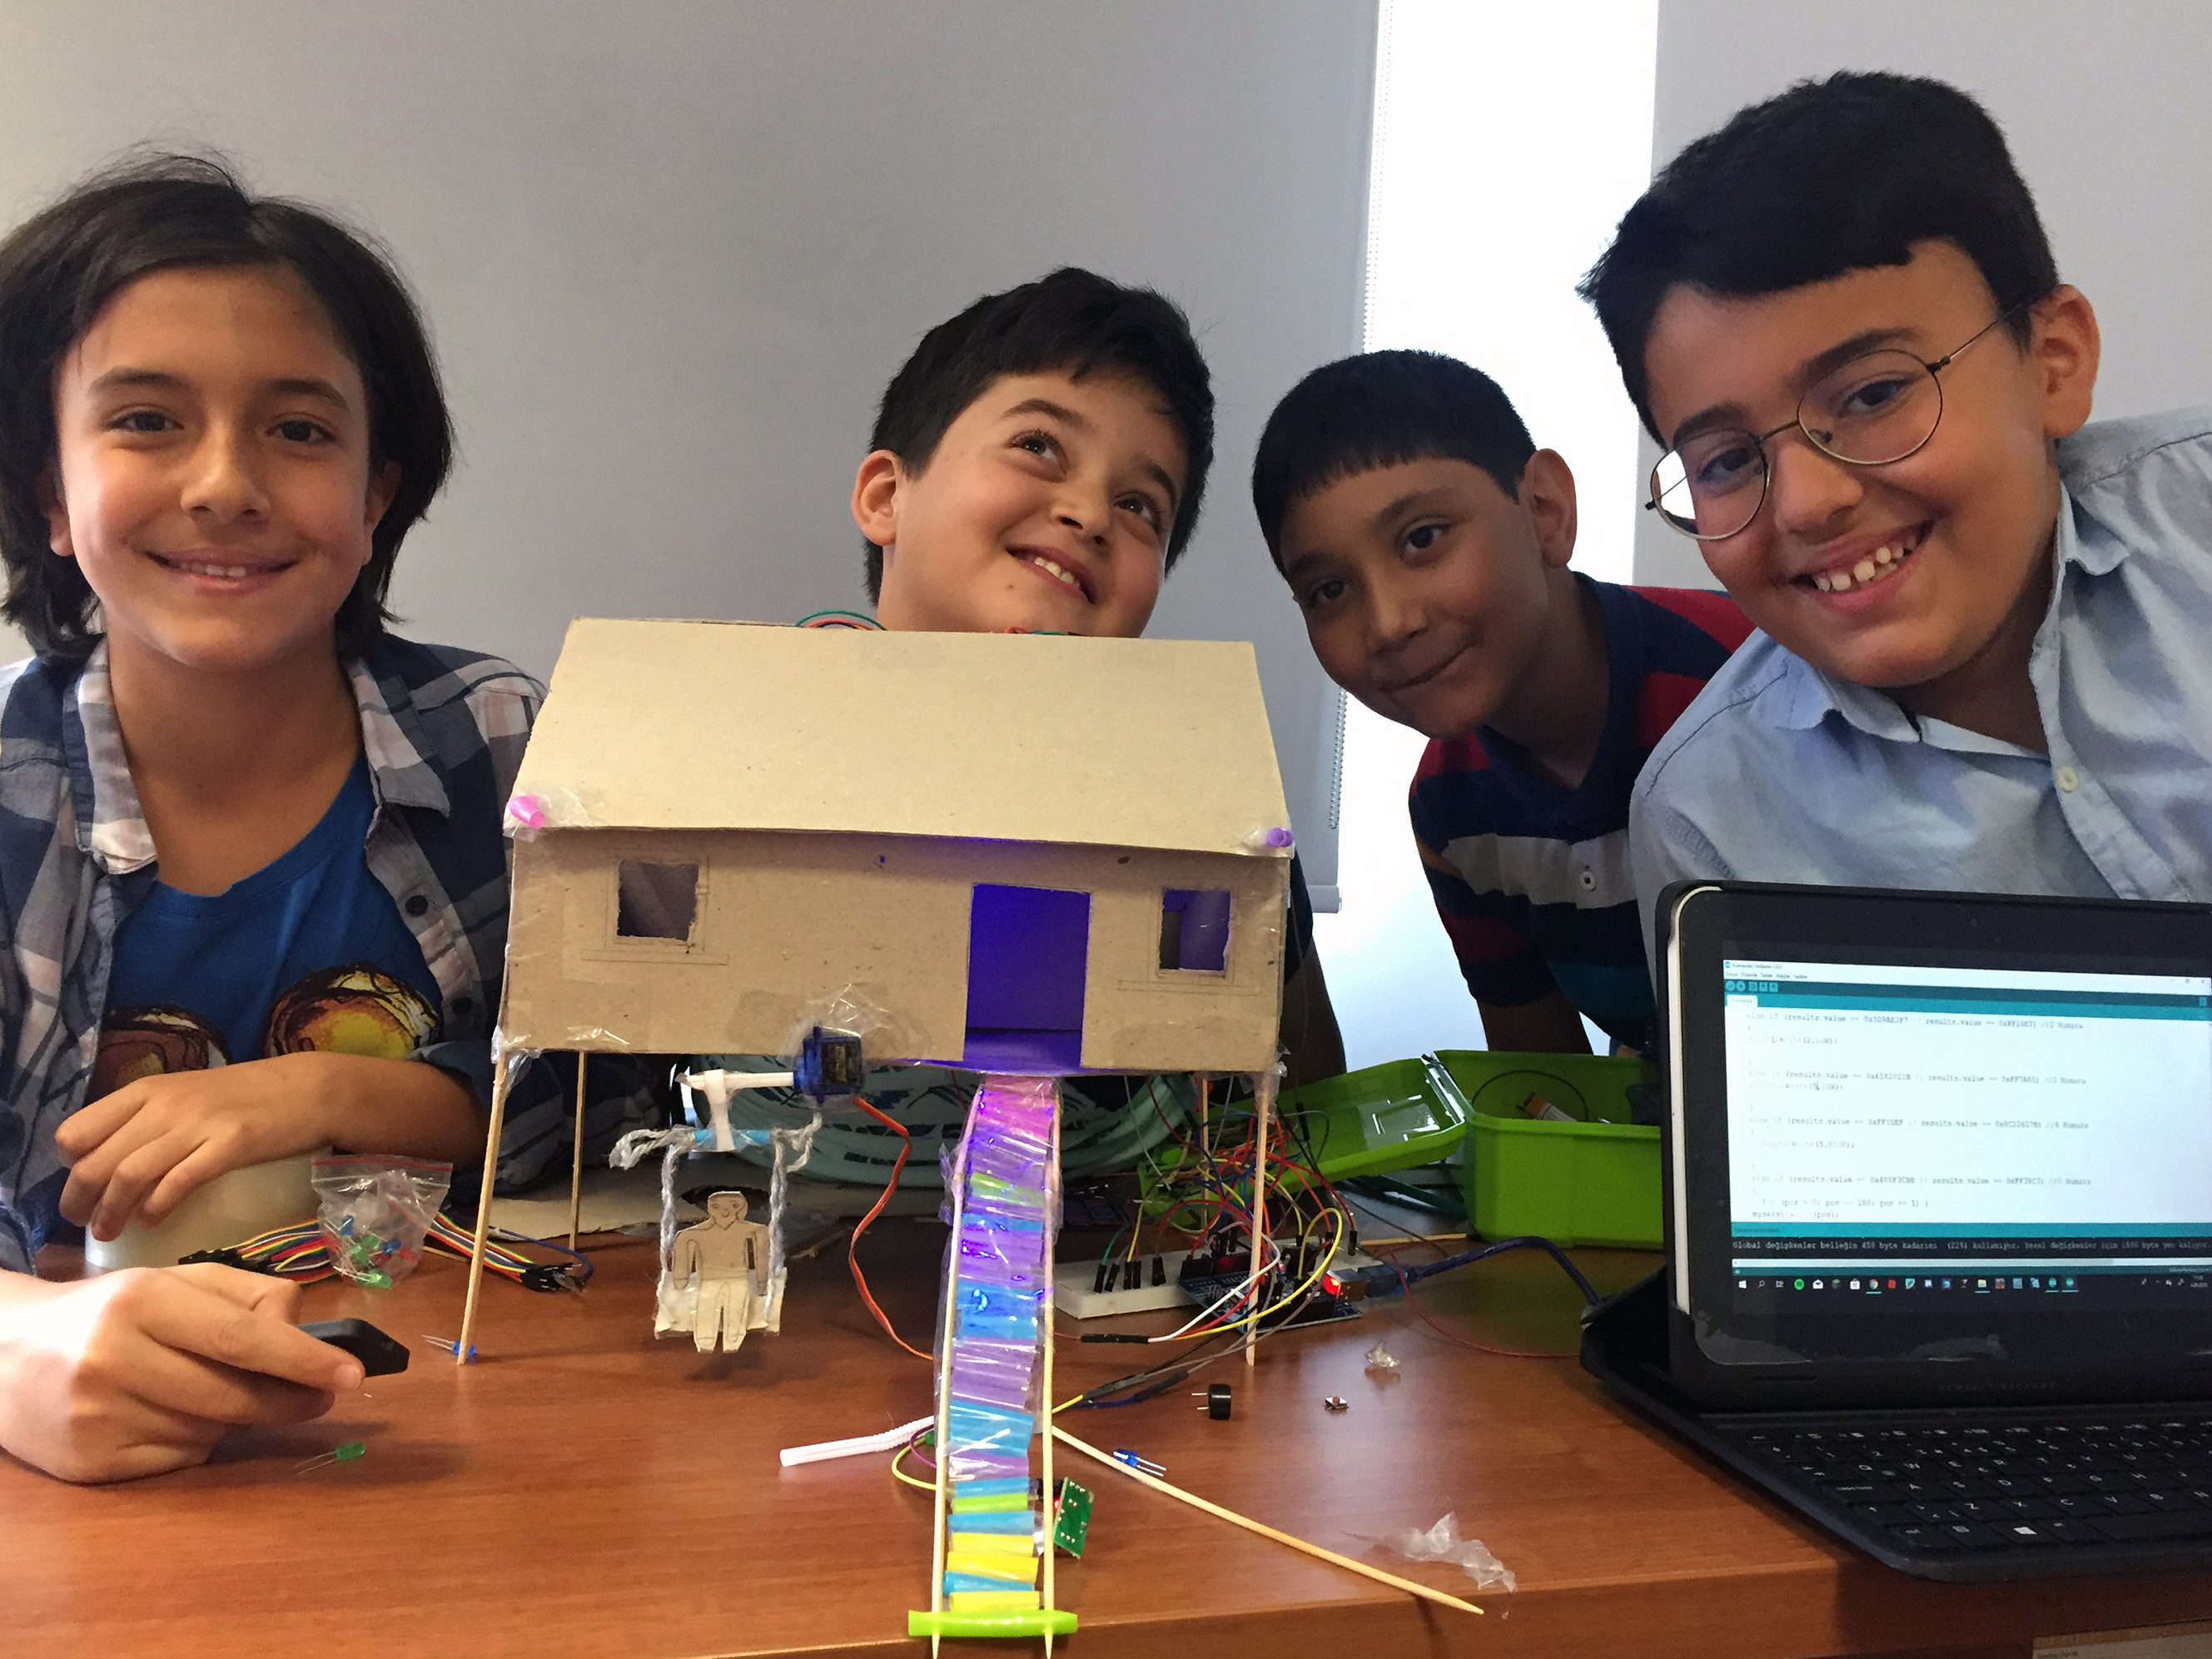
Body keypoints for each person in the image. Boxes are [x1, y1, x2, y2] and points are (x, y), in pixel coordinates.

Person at [0, 155, 584, 1483]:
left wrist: (320, 1092)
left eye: (301, 431)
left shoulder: (503, 746)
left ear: (376, 497)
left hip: (463, 1423)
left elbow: (618, 1086)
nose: (224, 484)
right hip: (87, 1462)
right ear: (48, 492)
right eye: (147, 419)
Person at [1577, 71, 2212, 945]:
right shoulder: (1709, 828)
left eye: (1873, 395)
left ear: (2051, 360)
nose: (1806, 504)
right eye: (1725, 461)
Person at [847, 266, 1343, 1080]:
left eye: (1140, 504)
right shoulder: (733, 749)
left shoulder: (1210, 805)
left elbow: (1310, 1098)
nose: (1088, 513)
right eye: (1038, 446)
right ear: (883, 496)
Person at [1251, 350, 1747, 1054]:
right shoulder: (1450, 807)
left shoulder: (1754, 681)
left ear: (1544, 510)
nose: (1388, 623)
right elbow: (1542, 1086)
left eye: (1422, 539)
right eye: (1329, 590)